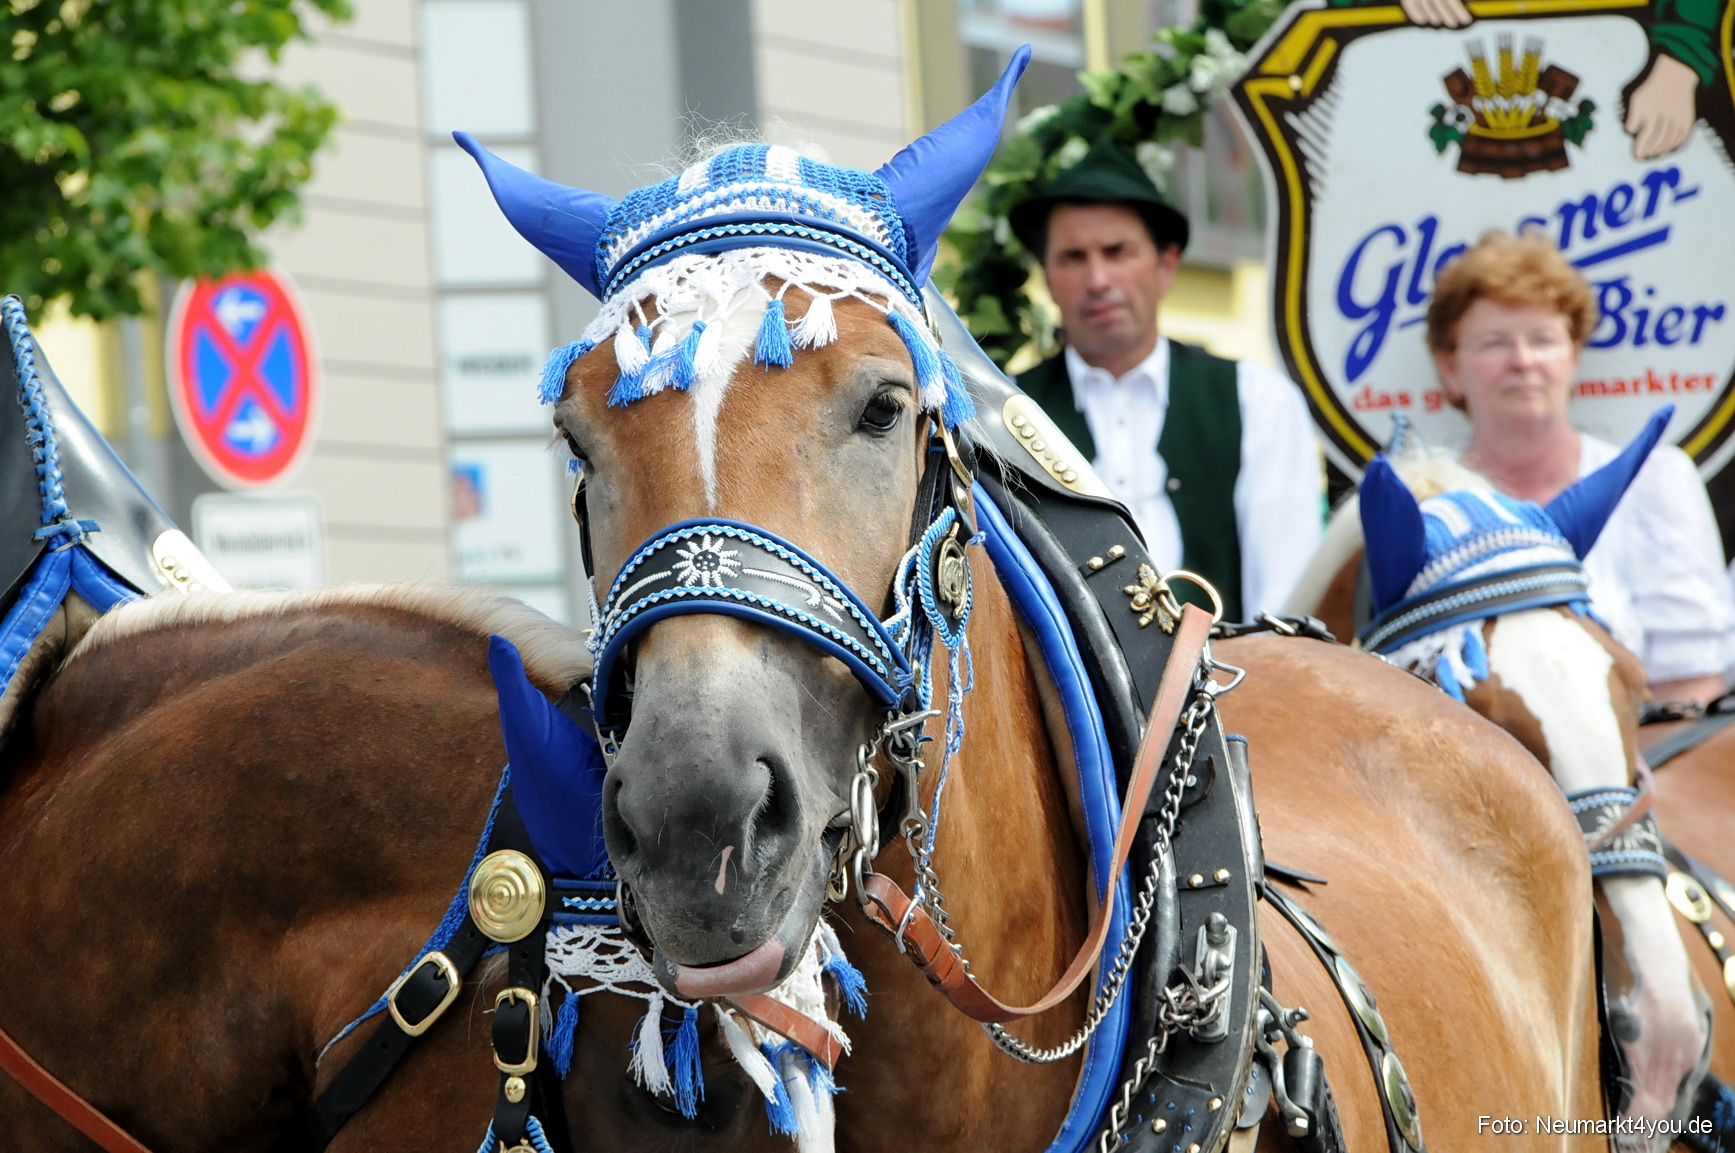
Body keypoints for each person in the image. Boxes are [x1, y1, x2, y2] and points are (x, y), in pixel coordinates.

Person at [1007, 138, 1322, 621]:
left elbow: (1285, 605)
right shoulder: (1004, 410)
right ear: (1047, 277)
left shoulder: (1256, 400)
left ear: (1166, 265)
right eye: (1073, 257)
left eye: (1117, 252)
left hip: (1229, 668)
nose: (1098, 280)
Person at [1426, 229, 1735, 705]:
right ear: (1450, 368)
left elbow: (1692, 690)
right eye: (1493, 343)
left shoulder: (1653, 483)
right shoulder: (1426, 503)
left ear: (1574, 356)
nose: (1522, 360)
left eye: (1542, 339)